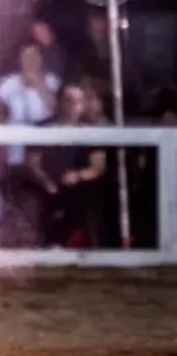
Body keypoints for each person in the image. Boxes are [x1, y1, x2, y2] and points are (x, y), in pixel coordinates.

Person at [28, 83, 108, 246]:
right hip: (47, 188)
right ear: (59, 102)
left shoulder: (91, 132)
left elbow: (98, 168)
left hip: (80, 190)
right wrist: (46, 181)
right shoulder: (41, 129)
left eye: (78, 100)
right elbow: (32, 164)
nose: (73, 105)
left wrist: (78, 176)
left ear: (83, 105)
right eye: (68, 100)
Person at [0, 43, 60, 165]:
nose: (31, 61)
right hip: (14, 139)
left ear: (41, 59)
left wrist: (38, 84)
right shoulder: (8, 83)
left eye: (34, 56)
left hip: (42, 138)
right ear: (20, 59)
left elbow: (54, 108)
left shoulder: (52, 81)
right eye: (27, 57)